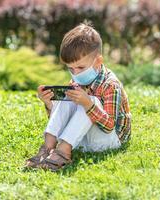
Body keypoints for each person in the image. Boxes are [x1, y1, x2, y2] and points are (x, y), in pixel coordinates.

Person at [24, 22, 132, 171]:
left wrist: (88, 104)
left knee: (89, 100)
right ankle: (48, 147)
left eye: (81, 67)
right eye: (71, 69)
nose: (76, 73)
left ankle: (63, 152)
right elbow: (65, 117)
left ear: (98, 62)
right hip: (82, 139)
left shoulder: (110, 85)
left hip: (109, 140)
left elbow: (109, 127)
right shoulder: (76, 80)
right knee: (67, 97)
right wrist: (49, 104)